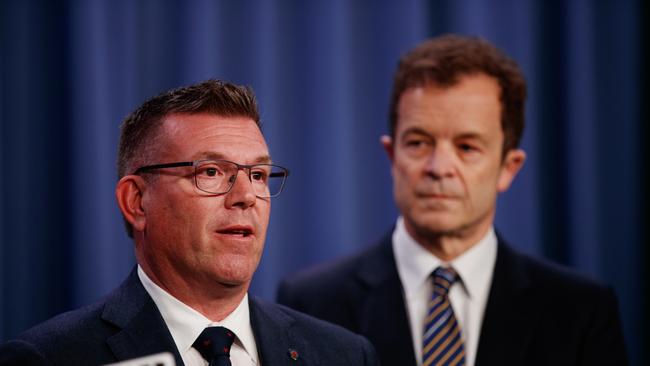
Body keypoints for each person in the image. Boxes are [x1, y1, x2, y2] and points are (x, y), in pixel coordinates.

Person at [277, 35, 628, 366]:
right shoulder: (310, 303)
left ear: (509, 167)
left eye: (467, 147)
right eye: (418, 142)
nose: (439, 168)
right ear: (391, 156)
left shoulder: (581, 310)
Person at [0, 80, 379, 366]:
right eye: (211, 172)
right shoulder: (49, 358)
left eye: (259, 174)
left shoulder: (344, 354)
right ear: (136, 201)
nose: (245, 195)